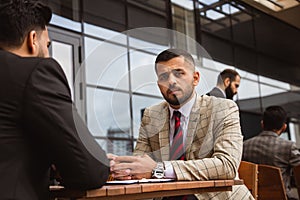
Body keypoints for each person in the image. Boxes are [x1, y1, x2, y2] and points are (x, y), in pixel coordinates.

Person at [109, 48, 253, 199]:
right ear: (159, 84)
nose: (171, 81)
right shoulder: (151, 115)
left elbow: (226, 165)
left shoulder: (223, 108)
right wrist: (121, 167)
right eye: (164, 76)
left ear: (195, 78)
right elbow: (140, 164)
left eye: (179, 73)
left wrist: (159, 169)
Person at [0, 0, 109, 199]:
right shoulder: (34, 71)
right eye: (47, 44)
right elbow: (90, 172)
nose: (47, 52)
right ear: (33, 40)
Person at [243, 106, 300, 200]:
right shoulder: (289, 147)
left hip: (252, 197)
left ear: (262, 124)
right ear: (284, 127)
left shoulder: (245, 145)